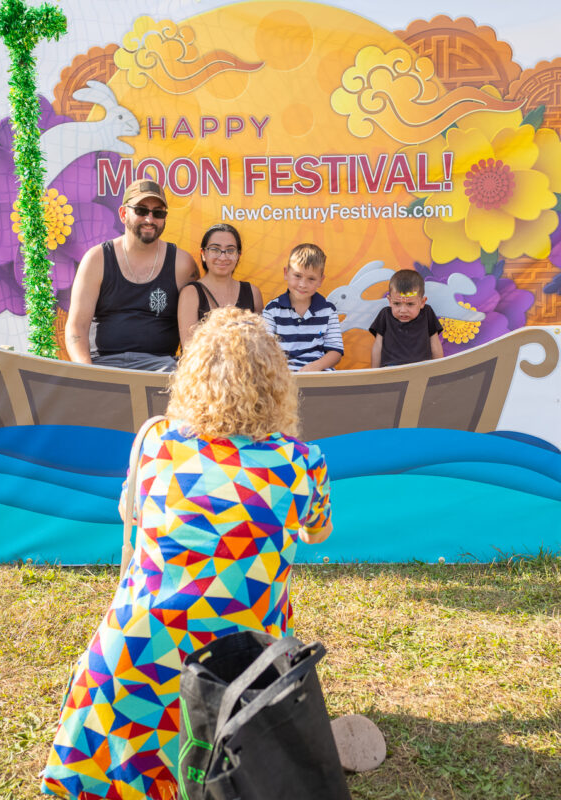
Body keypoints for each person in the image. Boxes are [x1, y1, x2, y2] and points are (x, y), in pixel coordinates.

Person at [41, 308, 332, 800]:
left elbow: (130, 516)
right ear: (277, 383)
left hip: (137, 654)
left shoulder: (155, 442)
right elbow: (317, 534)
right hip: (240, 663)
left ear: (192, 375)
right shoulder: (301, 462)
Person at [65, 179, 198, 371]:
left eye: (158, 213)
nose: (149, 219)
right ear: (123, 213)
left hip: (162, 369)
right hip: (103, 365)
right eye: (141, 210)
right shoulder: (96, 259)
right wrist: (88, 374)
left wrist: (190, 373)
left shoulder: (182, 264)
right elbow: (76, 327)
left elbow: (193, 332)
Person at [177, 223, 263, 347]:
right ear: (203, 254)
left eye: (230, 250)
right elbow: (189, 348)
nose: (223, 257)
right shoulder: (191, 293)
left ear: (238, 255)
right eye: (214, 249)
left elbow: (260, 344)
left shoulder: (252, 292)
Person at [261, 243, 343, 372]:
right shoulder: (272, 310)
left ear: (321, 281)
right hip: (282, 377)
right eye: (297, 276)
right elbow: (264, 348)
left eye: (311, 279)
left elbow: (335, 351)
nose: (303, 284)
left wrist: (315, 367)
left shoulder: (328, 310)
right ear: (286, 273)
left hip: (318, 375)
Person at [368, 269, 445, 368]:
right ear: (390, 301)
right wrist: (375, 373)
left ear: (422, 302)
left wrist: (439, 369)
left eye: (410, 304)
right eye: (397, 304)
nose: (403, 310)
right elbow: (378, 345)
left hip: (422, 368)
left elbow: (435, 342)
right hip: (392, 369)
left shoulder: (427, 313)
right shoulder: (385, 315)